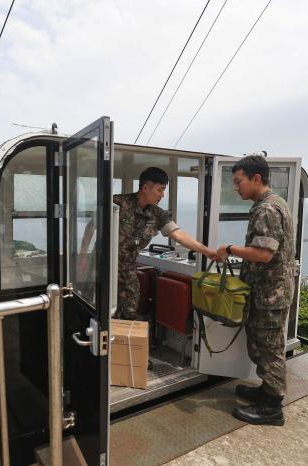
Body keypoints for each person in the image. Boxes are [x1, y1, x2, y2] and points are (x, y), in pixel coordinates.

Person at [216, 155, 295, 426]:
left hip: (270, 294)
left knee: (269, 348)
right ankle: (266, 390)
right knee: (263, 344)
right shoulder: (272, 203)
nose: (236, 187)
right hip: (267, 292)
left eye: (239, 182)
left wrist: (229, 249)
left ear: (256, 179)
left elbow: (263, 253)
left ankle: (272, 407)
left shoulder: (267, 209)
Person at [111, 167, 219, 321]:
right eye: (160, 190)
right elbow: (91, 227)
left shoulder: (157, 214)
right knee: (101, 311)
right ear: (145, 187)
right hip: (105, 268)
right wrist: (82, 257)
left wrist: (206, 251)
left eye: (164, 191)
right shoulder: (118, 203)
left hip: (127, 270)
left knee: (129, 312)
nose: (162, 195)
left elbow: (178, 234)